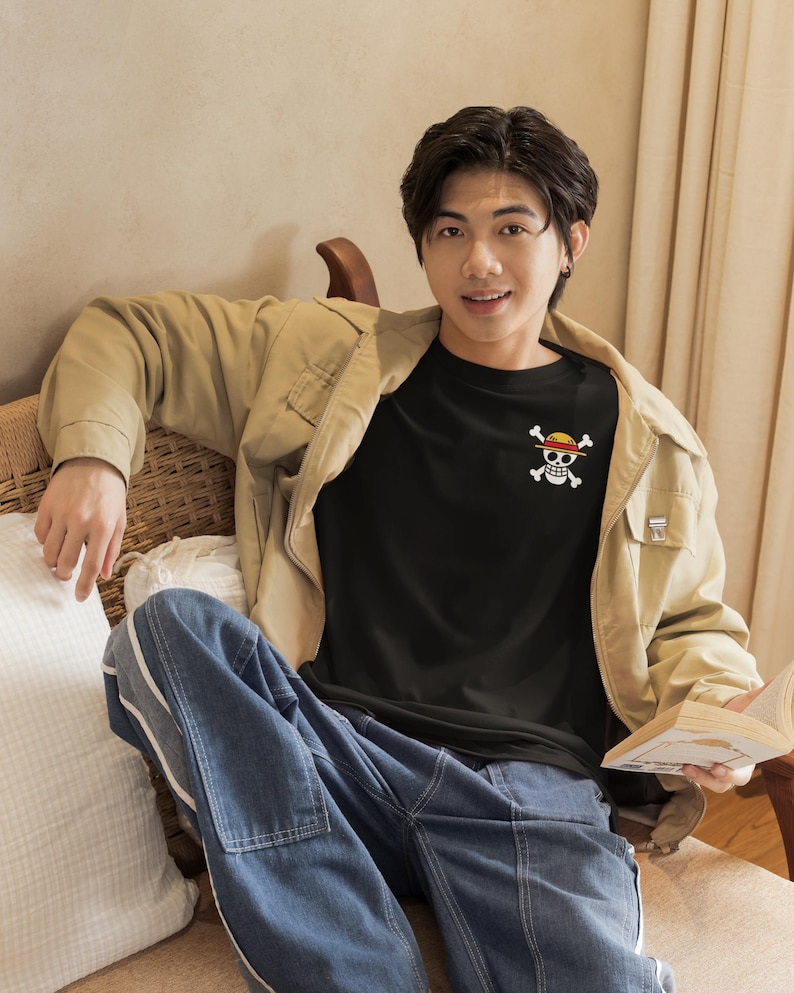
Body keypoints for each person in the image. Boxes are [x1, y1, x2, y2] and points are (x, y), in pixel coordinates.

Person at [35, 106, 764, 993]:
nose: (478, 261)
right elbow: (131, 331)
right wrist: (93, 457)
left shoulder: (644, 435)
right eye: (450, 231)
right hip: (334, 752)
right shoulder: (328, 356)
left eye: (511, 229)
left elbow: (687, 620)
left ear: (571, 242)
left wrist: (715, 712)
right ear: (423, 243)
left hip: (526, 792)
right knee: (165, 631)